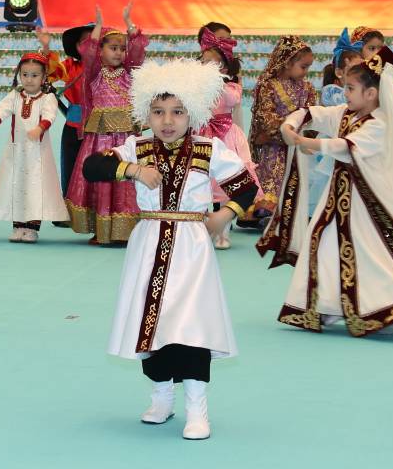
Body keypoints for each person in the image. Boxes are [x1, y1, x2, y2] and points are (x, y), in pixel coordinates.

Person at [81, 58, 260, 441]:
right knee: (152, 323)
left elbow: (246, 186)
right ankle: (161, 397)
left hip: (191, 248)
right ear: (147, 113)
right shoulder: (137, 147)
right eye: (158, 111)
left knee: (192, 323)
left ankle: (197, 407)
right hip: (148, 244)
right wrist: (132, 170)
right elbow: (92, 168)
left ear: (192, 112)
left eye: (178, 111)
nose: (167, 120)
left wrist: (224, 215)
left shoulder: (209, 149)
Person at [246, 57, 393, 338]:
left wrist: (308, 142)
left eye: (351, 88)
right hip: (338, 200)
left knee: (371, 254)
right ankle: (327, 306)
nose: (345, 94)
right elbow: (314, 113)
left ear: (371, 93)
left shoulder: (379, 124)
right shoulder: (345, 114)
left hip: (366, 206)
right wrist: (290, 124)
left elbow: (345, 147)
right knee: (322, 244)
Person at [66, 3, 149, 245]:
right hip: (100, 138)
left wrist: (129, 23)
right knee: (103, 178)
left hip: (126, 138)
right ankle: (101, 231)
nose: (119, 53)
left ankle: (127, 231)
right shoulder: (94, 72)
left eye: (122, 49)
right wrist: (98, 27)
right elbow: (89, 53)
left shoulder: (129, 71)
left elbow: (137, 51)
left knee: (126, 182)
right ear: (100, 51)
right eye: (113, 48)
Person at [0, 53, 67, 242]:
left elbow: (50, 116)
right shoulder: (14, 96)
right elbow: (1, 110)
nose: (29, 79)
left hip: (37, 154)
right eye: (25, 74)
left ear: (44, 77)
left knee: (36, 187)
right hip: (16, 153)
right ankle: (18, 226)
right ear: (19, 75)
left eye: (34, 75)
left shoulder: (47, 98)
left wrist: (39, 128)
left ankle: (32, 228)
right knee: (17, 185)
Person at [244, 36, 317, 231]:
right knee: (272, 180)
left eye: (308, 67)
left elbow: (312, 118)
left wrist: (302, 135)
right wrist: (289, 133)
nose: (306, 72)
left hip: (298, 149)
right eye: (303, 66)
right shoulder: (268, 86)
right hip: (273, 150)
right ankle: (267, 215)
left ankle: (290, 217)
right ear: (287, 62)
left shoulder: (308, 88)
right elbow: (267, 120)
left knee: (298, 182)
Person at [197, 27, 254, 249]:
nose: (206, 67)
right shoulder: (197, 87)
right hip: (202, 135)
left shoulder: (230, 86)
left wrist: (217, 81)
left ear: (224, 67)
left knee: (225, 183)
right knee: (200, 183)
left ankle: (223, 232)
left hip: (225, 137)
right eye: (203, 62)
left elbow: (232, 99)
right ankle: (202, 230)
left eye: (212, 63)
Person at [37, 24, 92, 226]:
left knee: (94, 169)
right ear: (76, 46)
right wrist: (46, 48)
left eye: (94, 41)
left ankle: (94, 211)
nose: (89, 45)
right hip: (73, 124)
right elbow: (49, 72)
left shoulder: (108, 69)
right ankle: (67, 212)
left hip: (100, 128)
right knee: (70, 167)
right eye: (84, 42)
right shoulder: (70, 66)